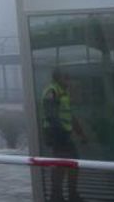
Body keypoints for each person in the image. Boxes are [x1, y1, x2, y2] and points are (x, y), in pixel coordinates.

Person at [41, 68, 87, 202]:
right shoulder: (52, 91)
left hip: (63, 135)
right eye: (66, 77)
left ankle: (64, 195)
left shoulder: (63, 93)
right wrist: (61, 134)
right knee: (63, 165)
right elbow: (51, 115)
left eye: (69, 77)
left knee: (68, 164)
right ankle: (59, 196)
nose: (69, 80)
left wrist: (80, 133)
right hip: (57, 135)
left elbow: (69, 115)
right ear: (58, 78)